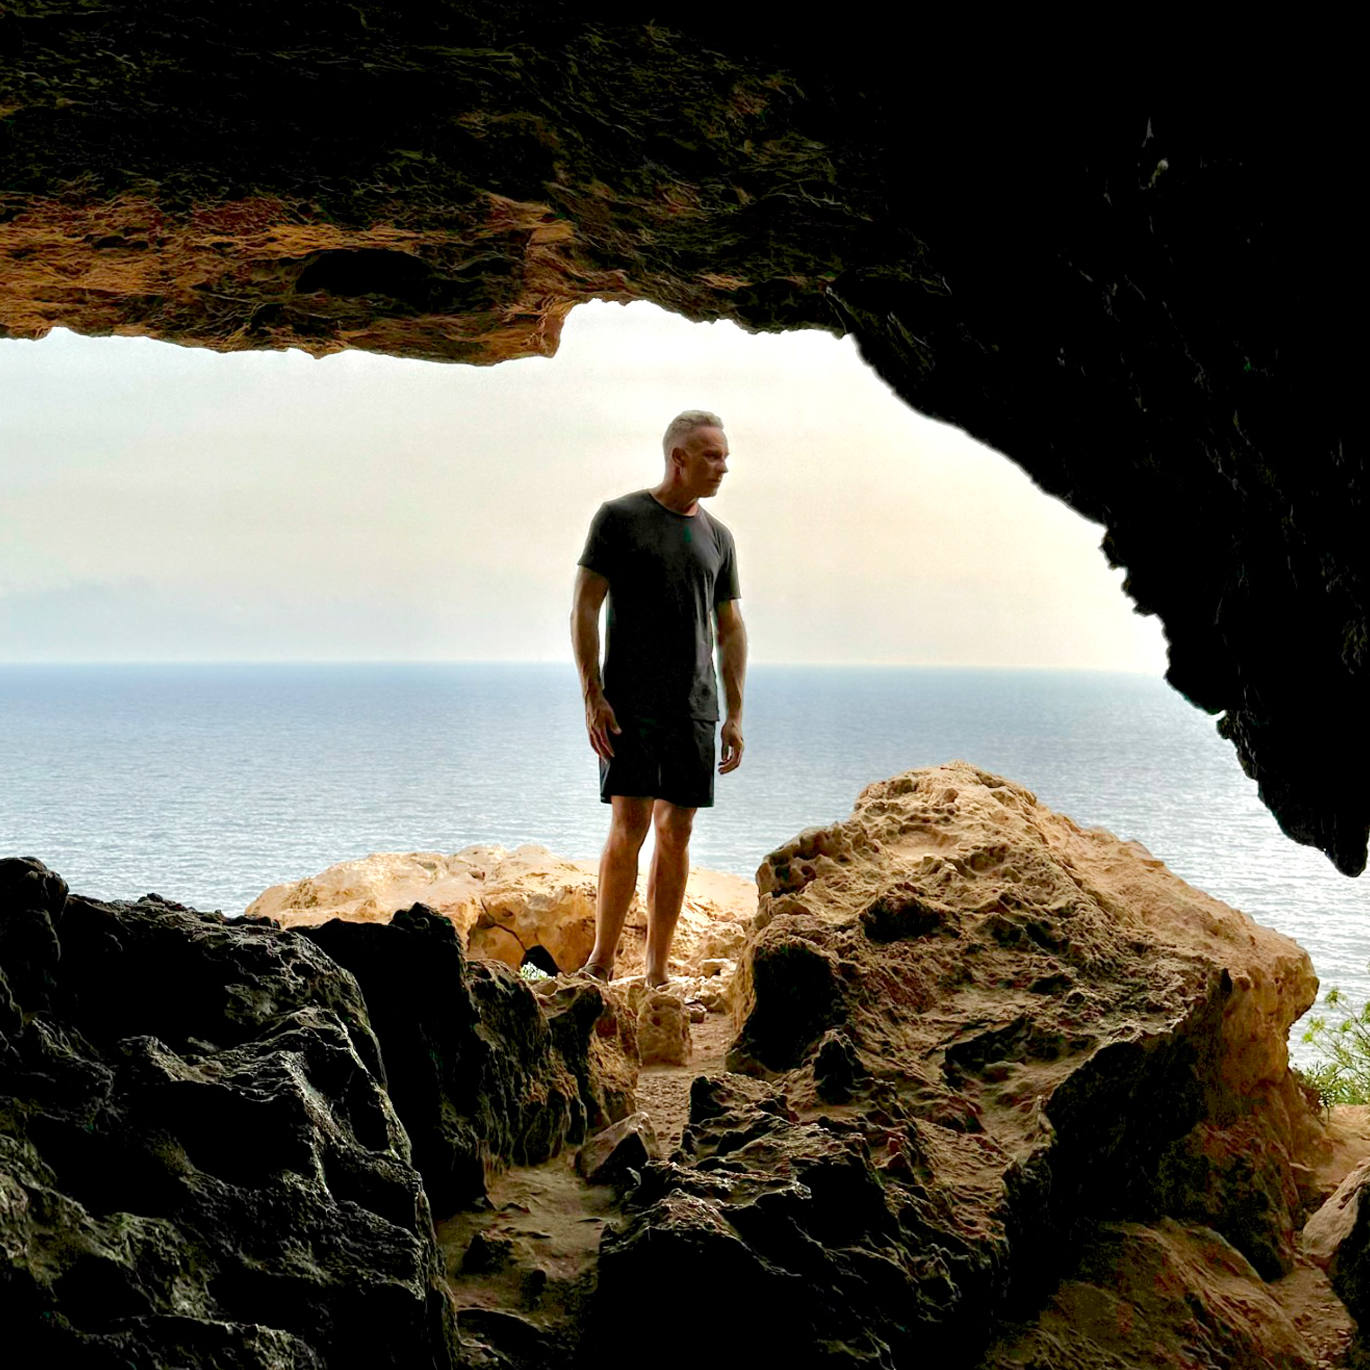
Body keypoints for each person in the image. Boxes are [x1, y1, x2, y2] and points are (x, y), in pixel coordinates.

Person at [570, 409, 747, 987]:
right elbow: (585, 606)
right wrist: (593, 694)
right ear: (680, 458)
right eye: (712, 455)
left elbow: (731, 628)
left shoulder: (719, 537)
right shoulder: (619, 518)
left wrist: (735, 712)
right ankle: (599, 962)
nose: (724, 466)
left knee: (679, 830)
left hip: (695, 706)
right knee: (631, 823)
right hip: (630, 702)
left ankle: (657, 972)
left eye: (724, 454)